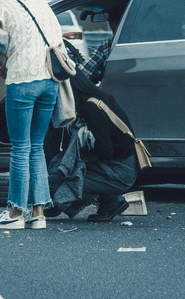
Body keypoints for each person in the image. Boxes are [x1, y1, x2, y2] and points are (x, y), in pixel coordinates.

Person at [0, 0, 62, 230]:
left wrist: (0, 46)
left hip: (23, 82)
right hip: (50, 82)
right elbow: (57, 38)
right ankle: (38, 214)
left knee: (20, 148)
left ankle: (14, 214)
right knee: (37, 147)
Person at [47, 70, 138, 222]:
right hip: (127, 165)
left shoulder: (91, 108)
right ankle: (109, 201)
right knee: (71, 171)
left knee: (55, 183)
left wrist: (80, 151)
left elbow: (105, 151)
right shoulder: (100, 99)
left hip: (120, 172)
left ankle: (110, 200)